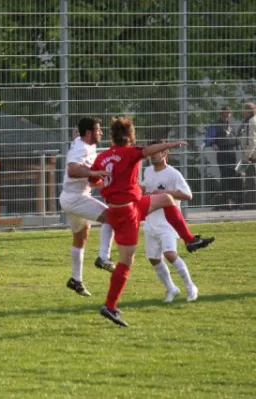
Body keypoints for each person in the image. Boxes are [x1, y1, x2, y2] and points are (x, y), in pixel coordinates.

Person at [90, 118, 214, 327]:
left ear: (112, 136)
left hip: (122, 207)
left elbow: (93, 181)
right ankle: (110, 305)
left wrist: (108, 183)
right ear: (130, 136)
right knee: (126, 262)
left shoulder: (102, 157)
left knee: (166, 198)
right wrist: (171, 145)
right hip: (128, 211)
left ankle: (190, 239)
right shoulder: (130, 152)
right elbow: (149, 150)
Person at [59, 117, 115, 297]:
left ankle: (76, 280)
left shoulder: (85, 144)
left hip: (72, 197)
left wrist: (98, 180)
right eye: (98, 130)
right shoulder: (82, 147)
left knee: (80, 238)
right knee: (112, 216)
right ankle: (104, 257)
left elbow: (87, 175)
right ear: (89, 132)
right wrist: (93, 173)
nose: (101, 133)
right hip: (76, 198)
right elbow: (72, 170)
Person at [142, 140, 198, 303]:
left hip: (168, 222)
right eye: (151, 152)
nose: (152, 155)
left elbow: (188, 195)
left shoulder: (173, 174)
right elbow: (146, 189)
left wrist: (166, 192)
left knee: (170, 254)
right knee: (153, 258)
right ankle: (171, 288)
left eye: (156, 152)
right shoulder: (147, 171)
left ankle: (190, 286)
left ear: (165, 153)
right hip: (150, 221)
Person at [211, 107, 241, 210]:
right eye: (226, 113)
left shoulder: (231, 124)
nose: (228, 115)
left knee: (233, 175)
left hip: (232, 152)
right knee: (224, 176)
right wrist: (213, 144)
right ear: (221, 113)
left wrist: (238, 145)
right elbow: (211, 137)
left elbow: (236, 137)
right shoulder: (215, 124)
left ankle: (233, 201)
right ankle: (223, 202)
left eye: (229, 113)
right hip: (222, 152)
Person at [238, 103, 256, 209]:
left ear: (248, 111)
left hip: (251, 155)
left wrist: (247, 156)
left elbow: (252, 141)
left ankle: (252, 203)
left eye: (244, 110)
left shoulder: (250, 122)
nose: (243, 112)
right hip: (252, 154)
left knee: (251, 179)